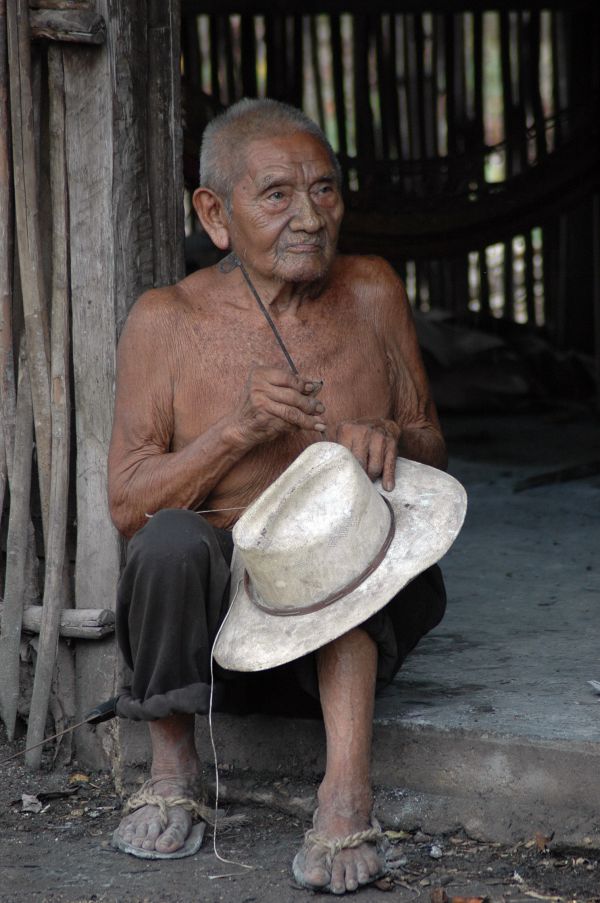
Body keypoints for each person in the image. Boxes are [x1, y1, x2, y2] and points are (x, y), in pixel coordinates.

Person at [107, 97, 448, 894]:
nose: (310, 216)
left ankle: (344, 796)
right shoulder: (166, 320)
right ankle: (171, 769)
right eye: (278, 195)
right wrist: (236, 430)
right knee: (165, 541)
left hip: (348, 615)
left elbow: (434, 443)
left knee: (347, 531)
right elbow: (127, 500)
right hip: (221, 629)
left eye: (324, 190)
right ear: (214, 213)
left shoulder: (371, 291)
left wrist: (389, 436)